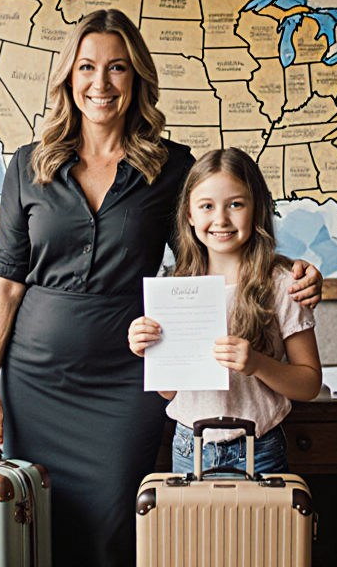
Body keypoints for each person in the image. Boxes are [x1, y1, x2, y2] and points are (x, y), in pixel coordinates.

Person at [0, 9, 322, 567]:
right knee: (33, 531)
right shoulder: (27, 166)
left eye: (117, 69)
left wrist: (293, 268)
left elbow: (215, 241)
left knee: (113, 531)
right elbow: (7, 283)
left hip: (129, 378)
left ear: (137, 80)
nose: (100, 83)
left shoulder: (171, 166)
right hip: (34, 383)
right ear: (68, 77)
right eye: (87, 67)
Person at [128, 148, 323, 476]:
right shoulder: (174, 285)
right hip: (190, 447)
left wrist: (258, 364)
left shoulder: (284, 283)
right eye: (206, 206)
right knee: (194, 531)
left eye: (236, 204)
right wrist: (150, 352)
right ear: (189, 215)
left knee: (262, 531)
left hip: (259, 448)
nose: (220, 219)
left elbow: (310, 383)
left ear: (257, 209)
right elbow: (170, 391)